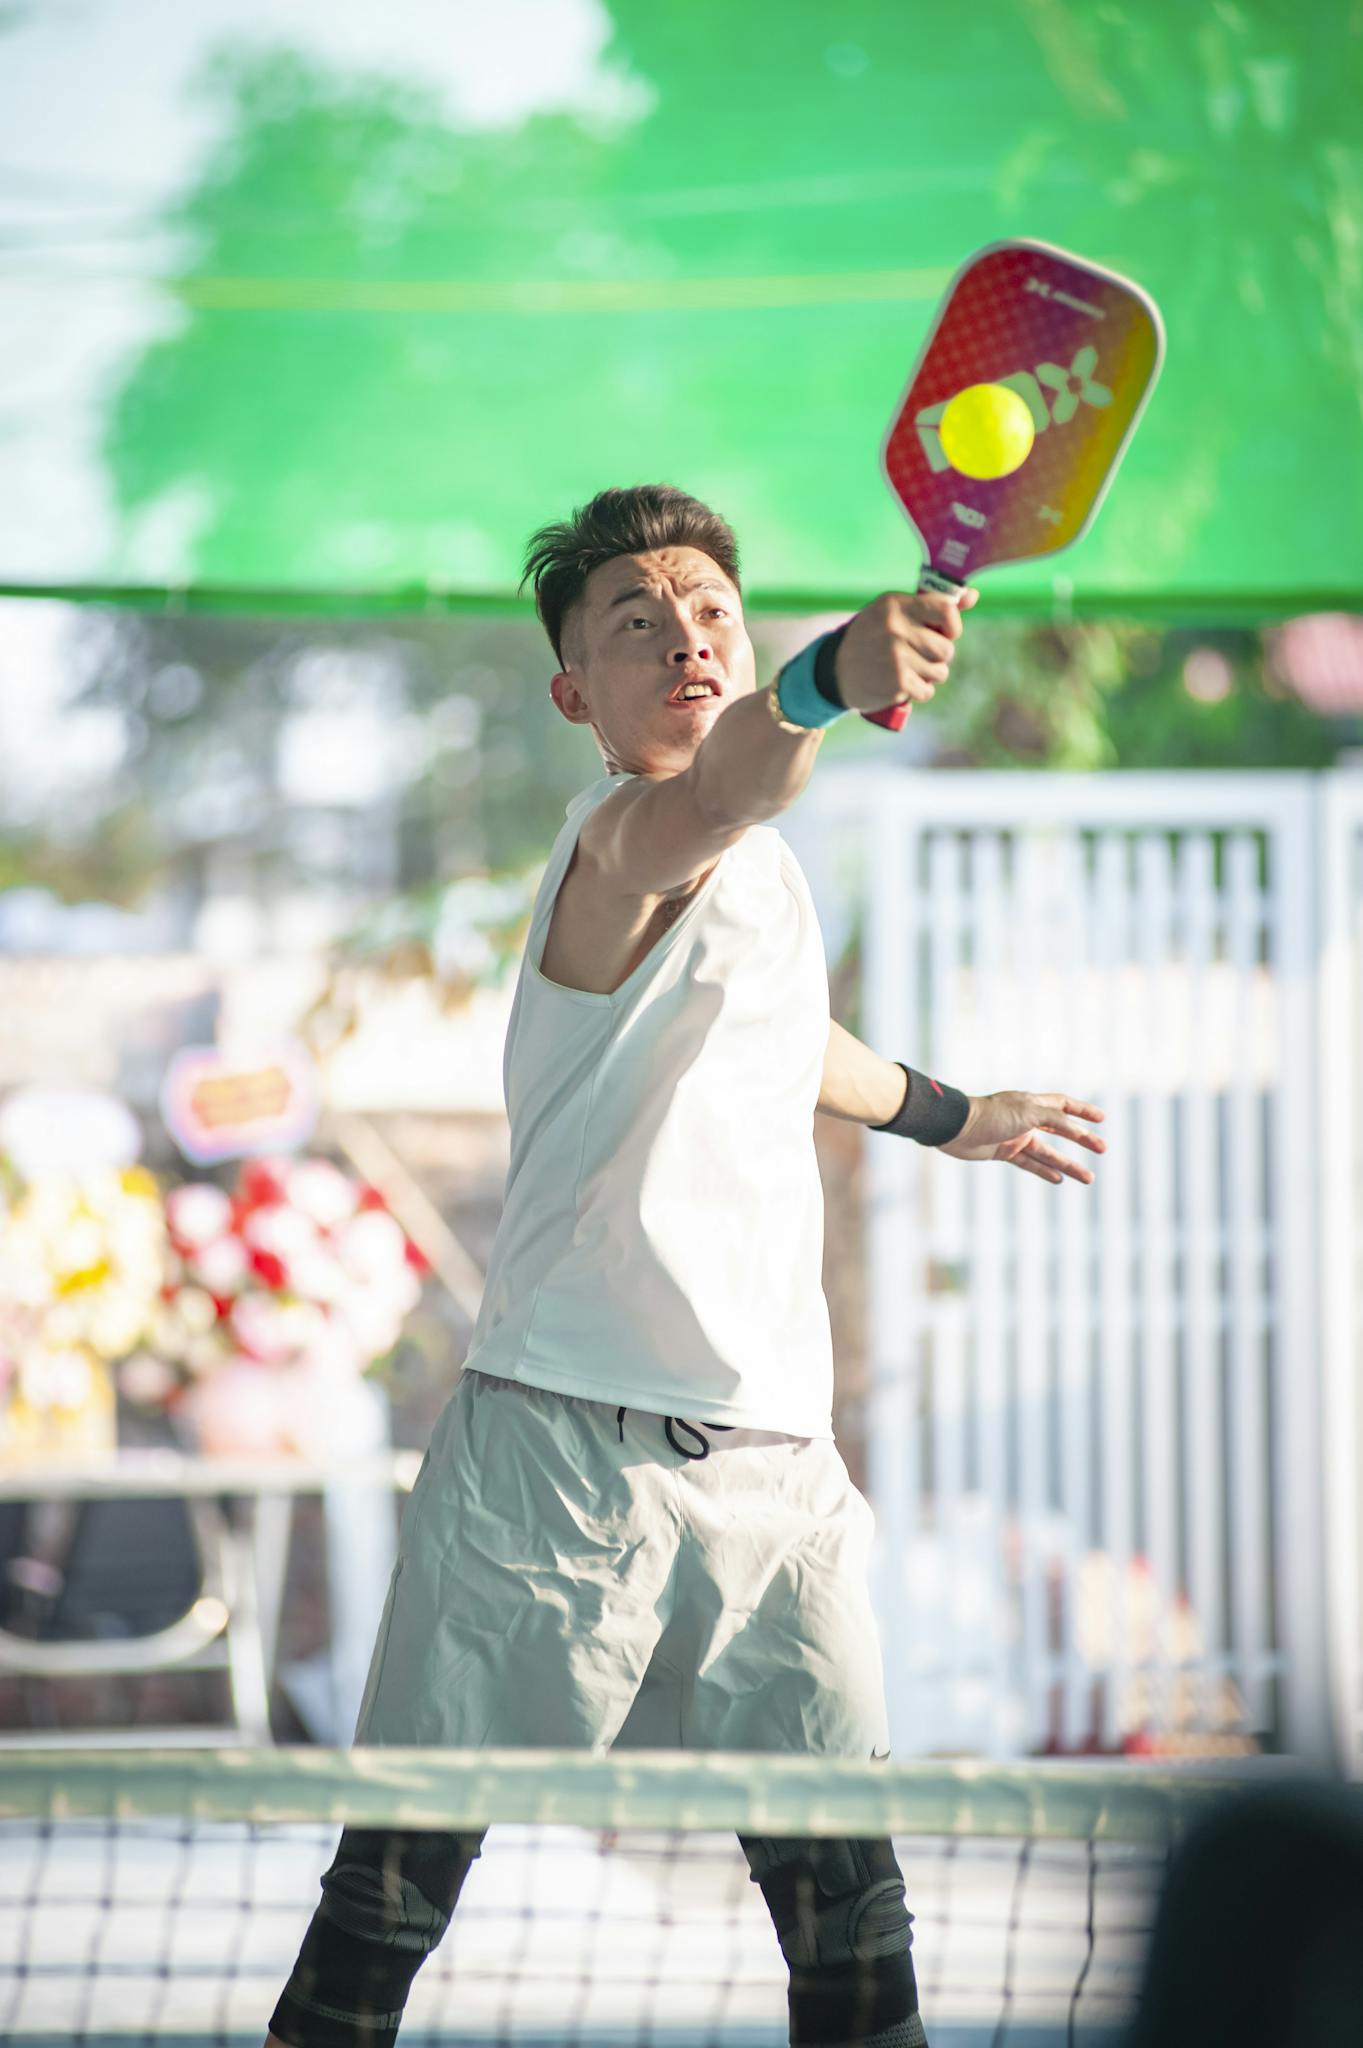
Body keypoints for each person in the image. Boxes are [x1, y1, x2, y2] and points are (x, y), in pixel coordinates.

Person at [265, 484, 1106, 2048]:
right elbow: (719, 797)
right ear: (579, 693)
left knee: (850, 1915)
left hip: (776, 1468)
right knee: (389, 1903)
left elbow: (792, 1035)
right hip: (553, 1462)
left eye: (712, 611)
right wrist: (815, 686)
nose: (686, 635)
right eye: (637, 622)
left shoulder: (762, 872)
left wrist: (951, 1113)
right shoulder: (624, 839)